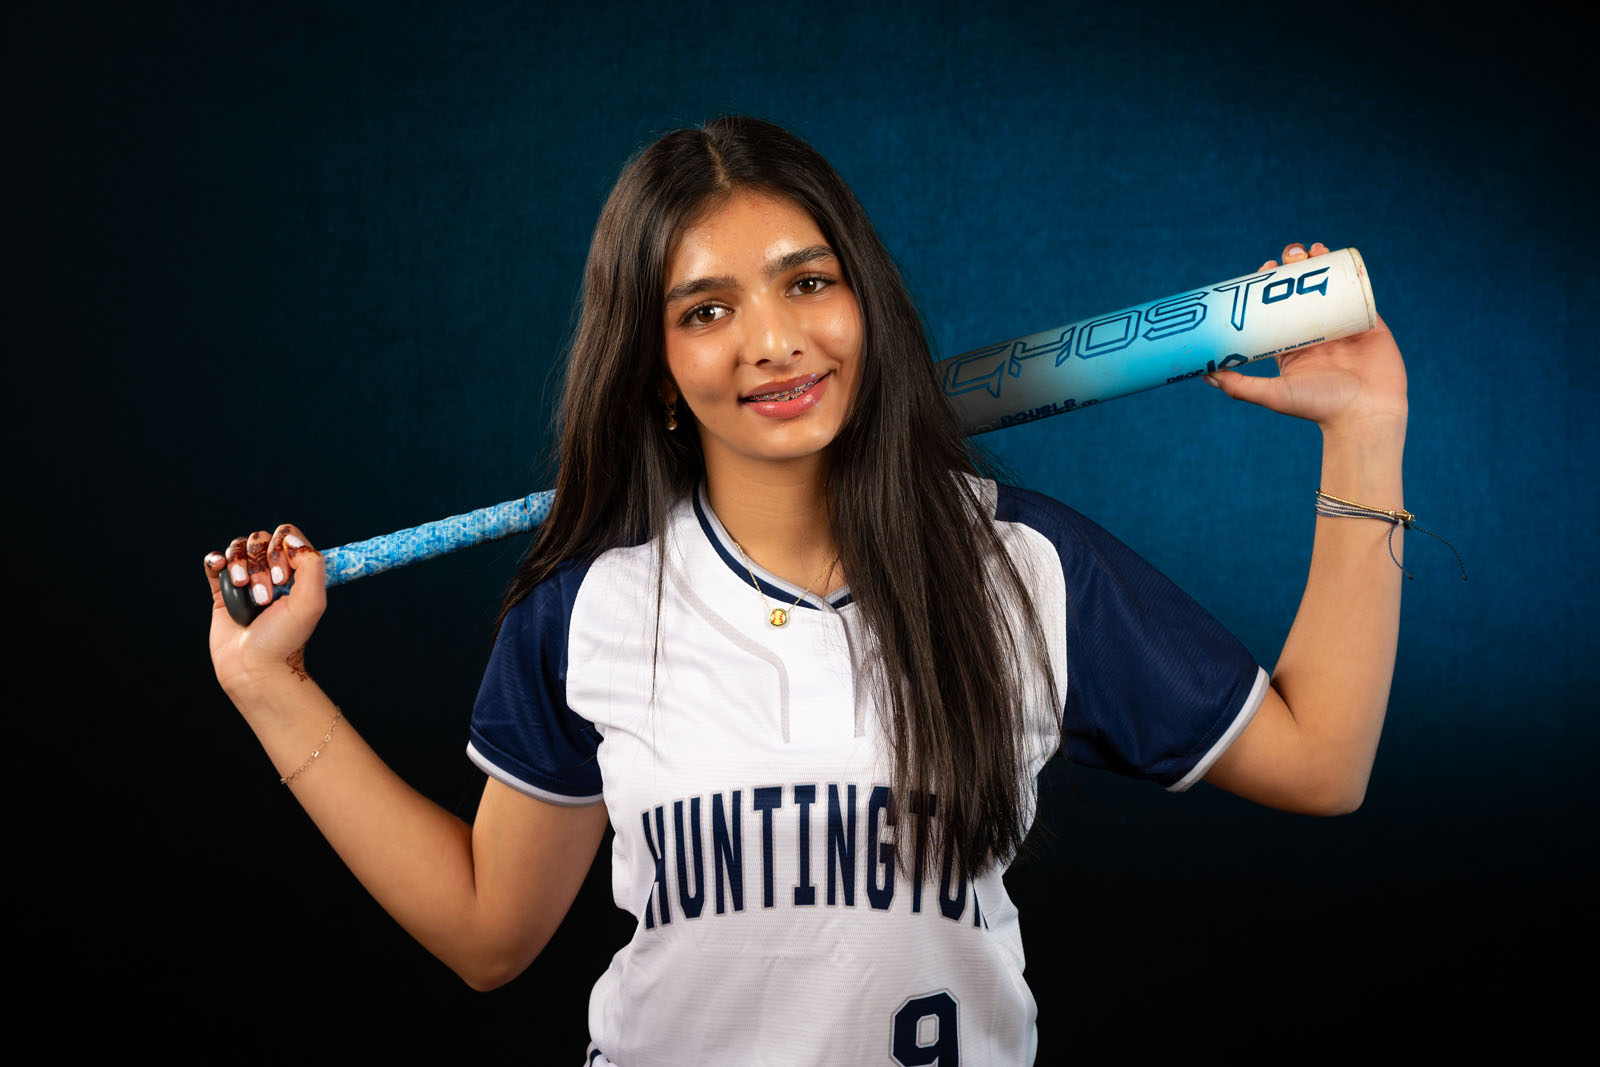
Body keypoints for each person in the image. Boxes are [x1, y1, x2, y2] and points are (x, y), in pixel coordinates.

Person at [204, 116, 1409, 1065]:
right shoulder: (590, 605)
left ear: (862, 302)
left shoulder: (1022, 566)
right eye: (707, 309)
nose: (773, 339)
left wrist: (1364, 432)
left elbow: (1320, 761)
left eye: (807, 282)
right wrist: (270, 684)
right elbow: (488, 933)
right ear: (657, 370)